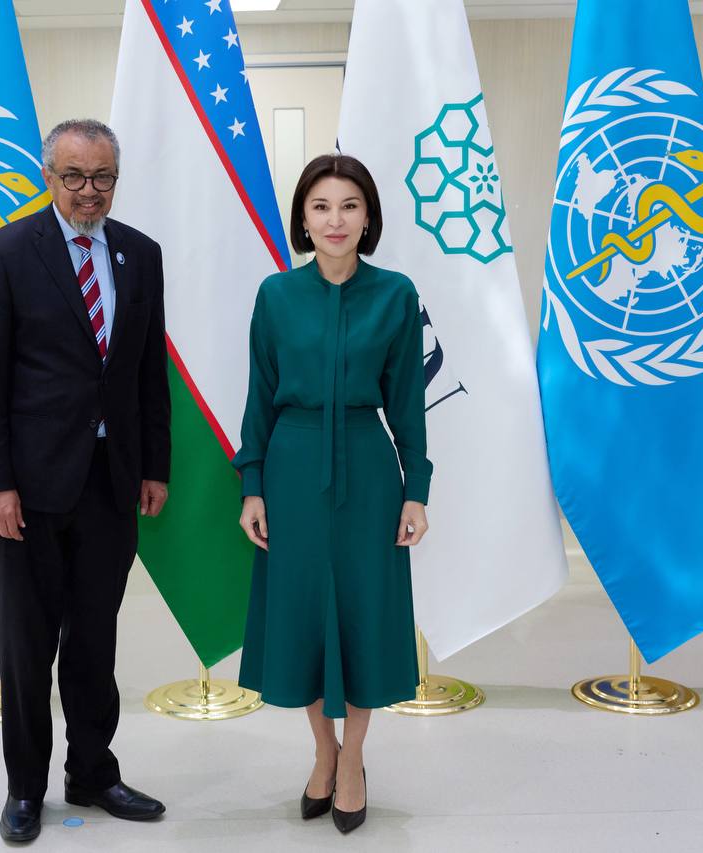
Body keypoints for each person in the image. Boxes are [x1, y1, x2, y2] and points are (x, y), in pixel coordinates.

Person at [0, 118, 171, 844]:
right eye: (75, 176)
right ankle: (26, 788)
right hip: (25, 493)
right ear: (48, 177)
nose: (90, 191)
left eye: (103, 177)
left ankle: (92, 772)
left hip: (110, 484)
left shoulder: (140, 254)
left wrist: (154, 465)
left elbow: (148, 371)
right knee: (28, 648)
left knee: (94, 641)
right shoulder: (5, 252)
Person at [232, 153, 432, 835]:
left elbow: (408, 404)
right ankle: (324, 750)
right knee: (303, 618)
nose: (335, 219)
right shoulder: (276, 295)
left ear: (368, 216)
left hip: (369, 473)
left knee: (364, 614)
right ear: (303, 219)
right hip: (290, 469)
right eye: (321, 206)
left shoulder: (397, 295)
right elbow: (258, 397)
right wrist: (252, 484)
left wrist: (416, 489)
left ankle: (355, 761)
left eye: (350, 205)